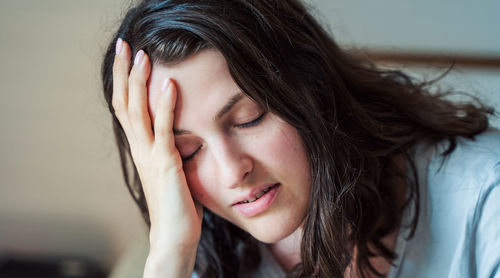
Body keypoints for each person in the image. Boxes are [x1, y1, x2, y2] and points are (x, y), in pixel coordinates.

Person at [101, 0, 500, 277]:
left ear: (312, 89)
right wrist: (169, 255)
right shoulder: (202, 253)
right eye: (186, 151)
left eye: (248, 118)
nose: (231, 173)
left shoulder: (485, 195)